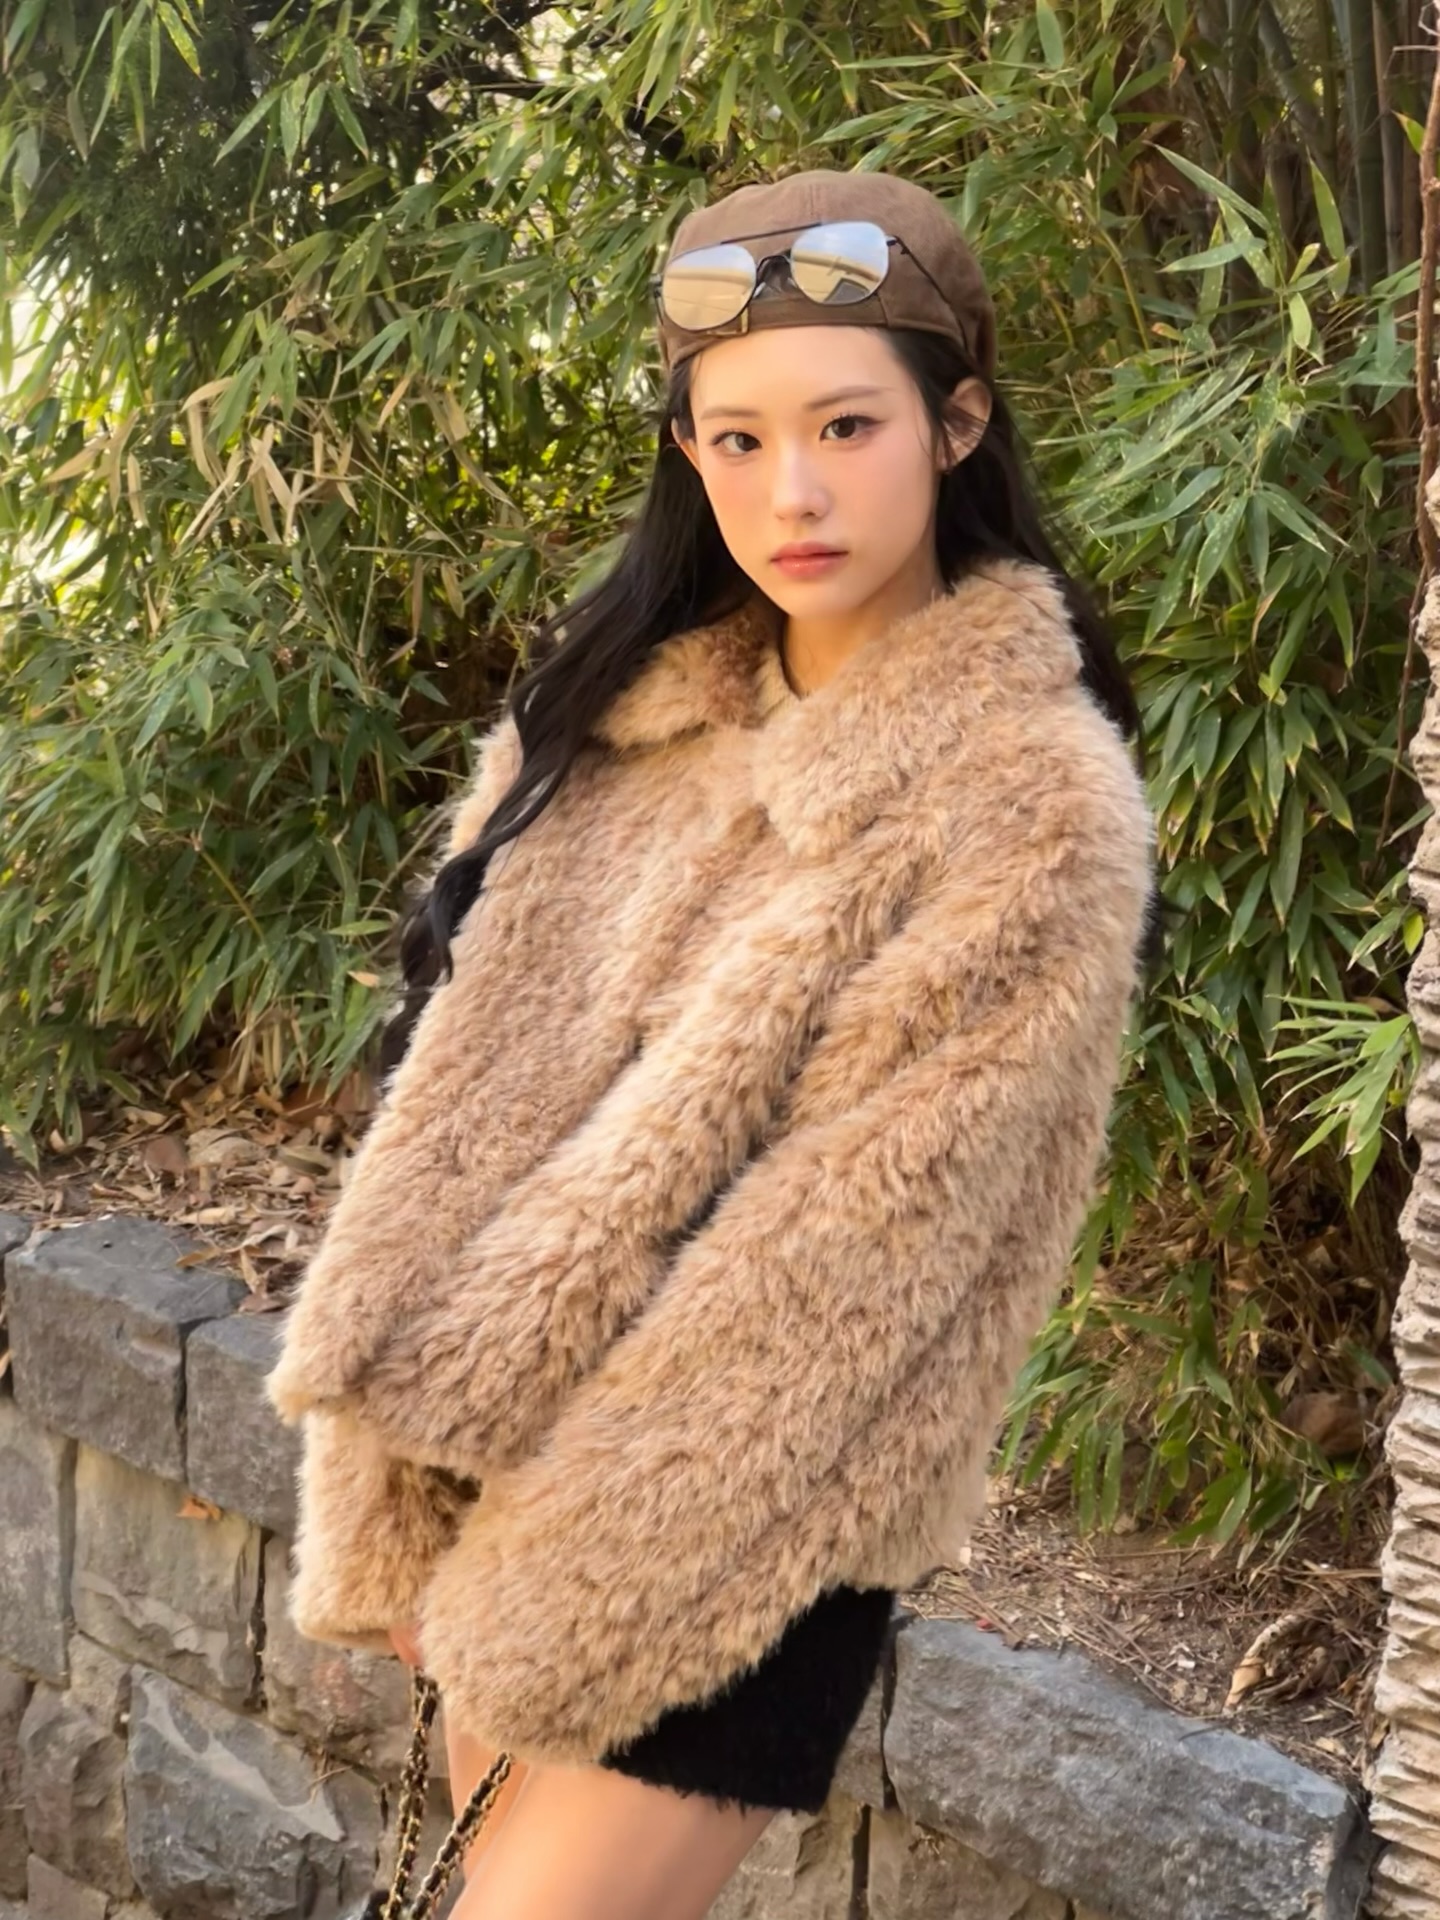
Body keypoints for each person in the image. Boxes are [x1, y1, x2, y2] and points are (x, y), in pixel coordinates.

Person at [264, 167, 1160, 1920]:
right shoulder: (625, 722)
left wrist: (544, 1571)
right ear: (687, 451)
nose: (792, 492)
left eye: (845, 426)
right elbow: (455, 1118)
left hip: (735, 1530)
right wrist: (411, 1491)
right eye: (737, 441)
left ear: (957, 425)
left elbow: (846, 1277)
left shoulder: (1030, 804)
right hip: (483, 1482)